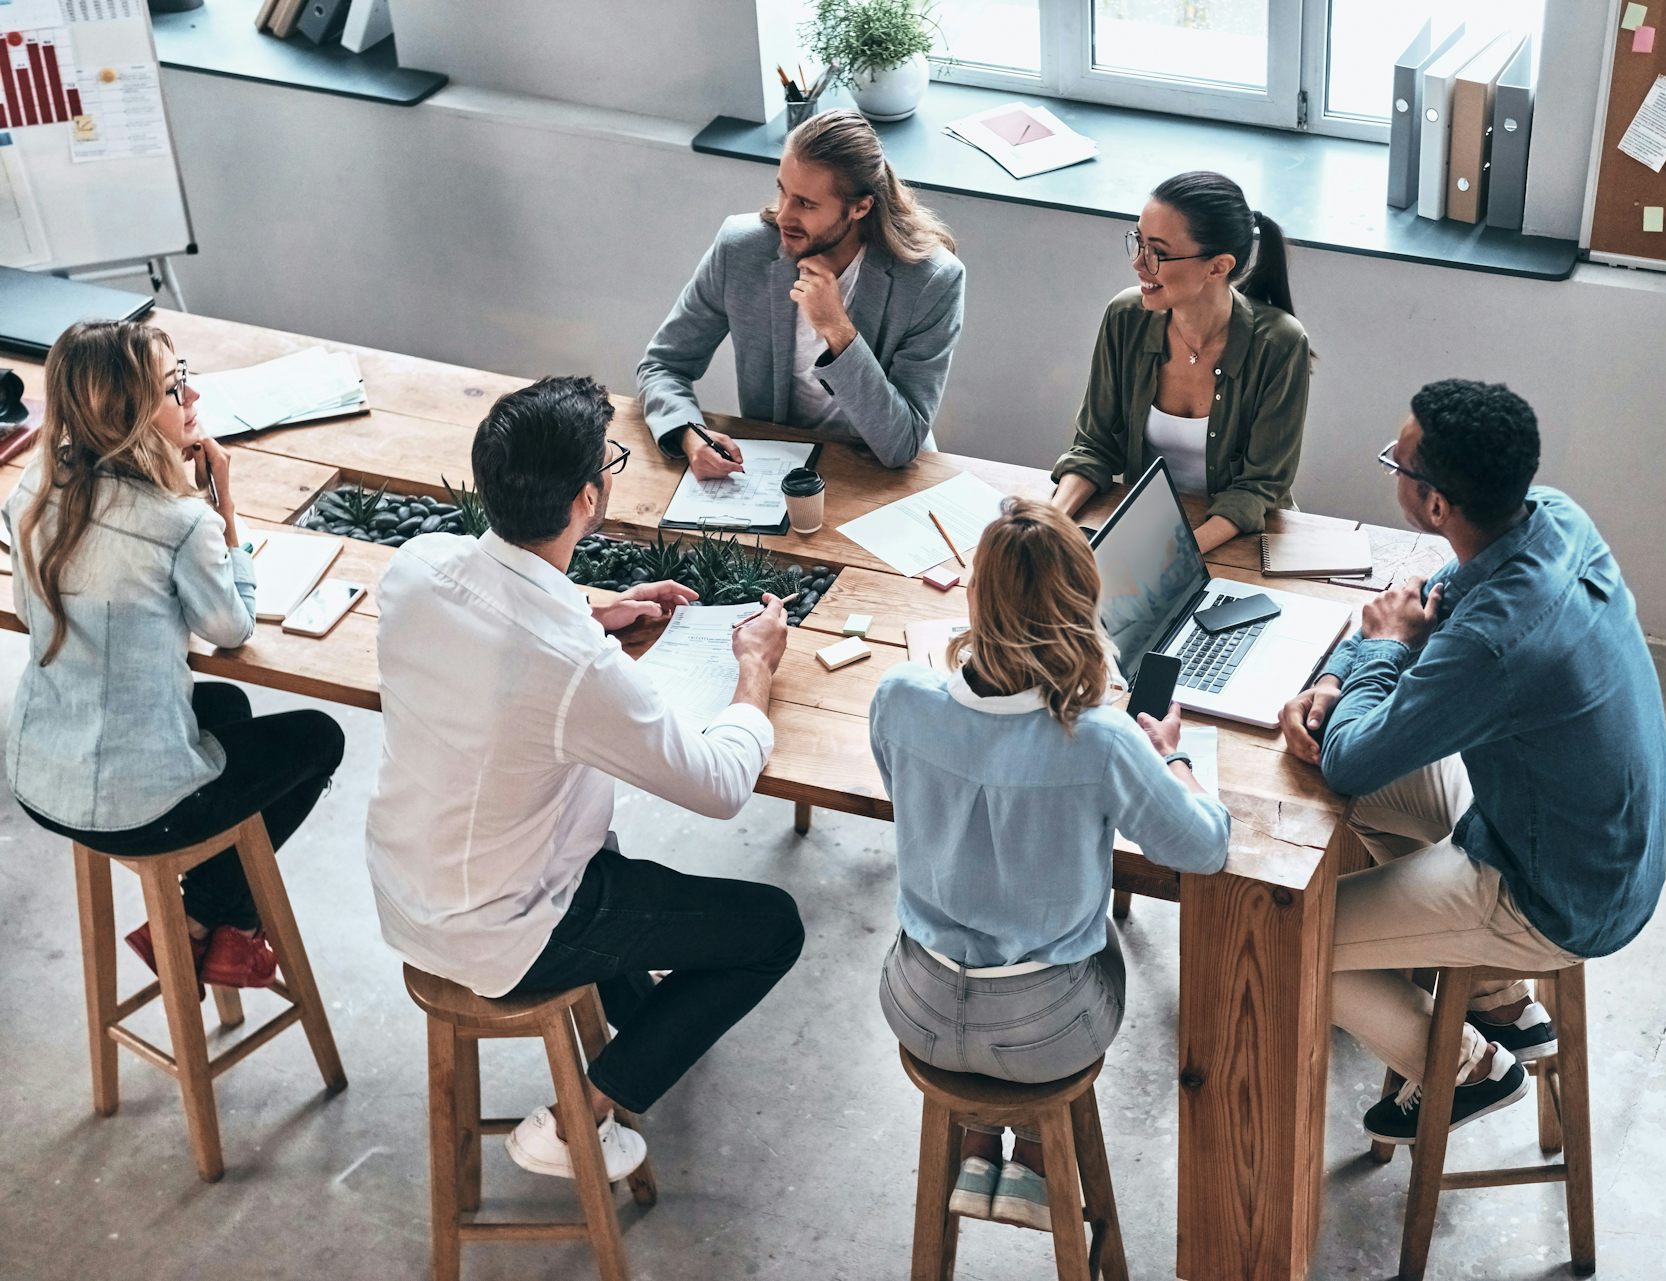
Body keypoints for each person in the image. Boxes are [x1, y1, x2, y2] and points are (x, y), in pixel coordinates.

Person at [365, 375, 803, 1184]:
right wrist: (753, 673)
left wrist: (594, 610)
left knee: (614, 863)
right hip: (508, 930)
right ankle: (584, 1110)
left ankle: (641, 1023)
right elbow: (718, 786)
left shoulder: (418, 566)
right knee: (772, 926)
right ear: (589, 499)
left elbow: (499, 628)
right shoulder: (574, 669)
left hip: (404, 887)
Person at [1280, 379, 1666, 1144]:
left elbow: (1354, 757)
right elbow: (1418, 608)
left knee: (1288, 935)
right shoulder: (1551, 516)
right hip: (1584, 839)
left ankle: (1468, 1066)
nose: (1391, 466)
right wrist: (1335, 676)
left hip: (1553, 894)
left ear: (1433, 506)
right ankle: (1493, 991)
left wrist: (1382, 651)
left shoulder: (1494, 640)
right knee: (1373, 779)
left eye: (1397, 460)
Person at [868, 498, 1230, 1232]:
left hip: (917, 1004)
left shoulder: (899, 697)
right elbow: (1204, 848)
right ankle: (1033, 1152)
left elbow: (903, 792)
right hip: (1046, 1032)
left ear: (976, 596)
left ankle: (974, 1141)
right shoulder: (1100, 740)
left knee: (989, 918)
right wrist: (1174, 758)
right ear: (1082, 608)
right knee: (1098, 941)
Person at [5, 320, 345, 991]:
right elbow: (232, 624)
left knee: (227, 705)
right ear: (126, 413)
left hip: (39, 773)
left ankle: (206, 929)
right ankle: (207, 922)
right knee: (319, 738)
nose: (190, 396)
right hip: (132, 805)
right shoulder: (177, 521)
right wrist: (224, 506)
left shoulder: (39, 481)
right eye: (170, 388)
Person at [638, 108, 965, 474]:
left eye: (806, 204)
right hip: (772, 470)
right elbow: (663, 365)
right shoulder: (741, 249)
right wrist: (689, 432)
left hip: (878, 475)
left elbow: (902, 443)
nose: (783, 216)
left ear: (860, 207)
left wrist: (838, 330)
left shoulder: (931, 282)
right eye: (783, 191)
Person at [1051, 171, 1309, 554]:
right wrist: (1049, 522)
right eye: (1138, 242)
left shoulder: (1280, 344)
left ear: (1218, 267)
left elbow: (1258, 489)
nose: (1139, 264)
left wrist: (1171, 556)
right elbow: (1094, 447)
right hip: (1144, 529)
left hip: (1241, 544)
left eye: (1159, 252)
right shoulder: (1126, 317)